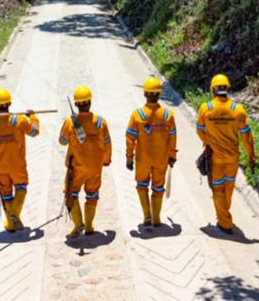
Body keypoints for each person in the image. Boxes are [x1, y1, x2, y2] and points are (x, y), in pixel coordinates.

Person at [195, 74, 256, 234]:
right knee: (228, 186)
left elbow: (200, 130)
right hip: (233, 158)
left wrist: (207, 142)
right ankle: (224, 214)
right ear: (227, 88)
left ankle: (225, 222)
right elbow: (247, 137)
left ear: (212, 90)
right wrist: (251, 156)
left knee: (217, 189)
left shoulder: (206, 108)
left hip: (216, 158)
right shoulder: (238, 110)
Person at [0, 88, 39, 232]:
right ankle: (15, 214)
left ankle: (10, 224)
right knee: (21, 187)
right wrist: (33, 117)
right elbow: (35, 131)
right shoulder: (20, 120)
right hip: (17, 166)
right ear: (9, 103)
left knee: (6, 193)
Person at [59, 86, 112, 239]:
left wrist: (68, 126)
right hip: (96, 167)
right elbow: (107, 143)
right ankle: (89, 227)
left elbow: (62, 142)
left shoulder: (70, 122)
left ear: (76, 105)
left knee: (71, 193)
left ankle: (78, 224)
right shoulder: (101, 122)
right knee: (92, 195)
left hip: (76, 169)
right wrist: (106, 159)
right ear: (90, 102)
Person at [125, 77, 177, 226]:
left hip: (142, 159)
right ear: (159, 94)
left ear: (145, 94)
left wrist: (129, 157)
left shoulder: (137, 115)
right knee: (158, 188)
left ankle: (147, 216)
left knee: (142, 185)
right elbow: (172, 138)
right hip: (161, 160)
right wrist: (172, 156)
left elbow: (130, 137)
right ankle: (156, 218)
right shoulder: (168, 115)